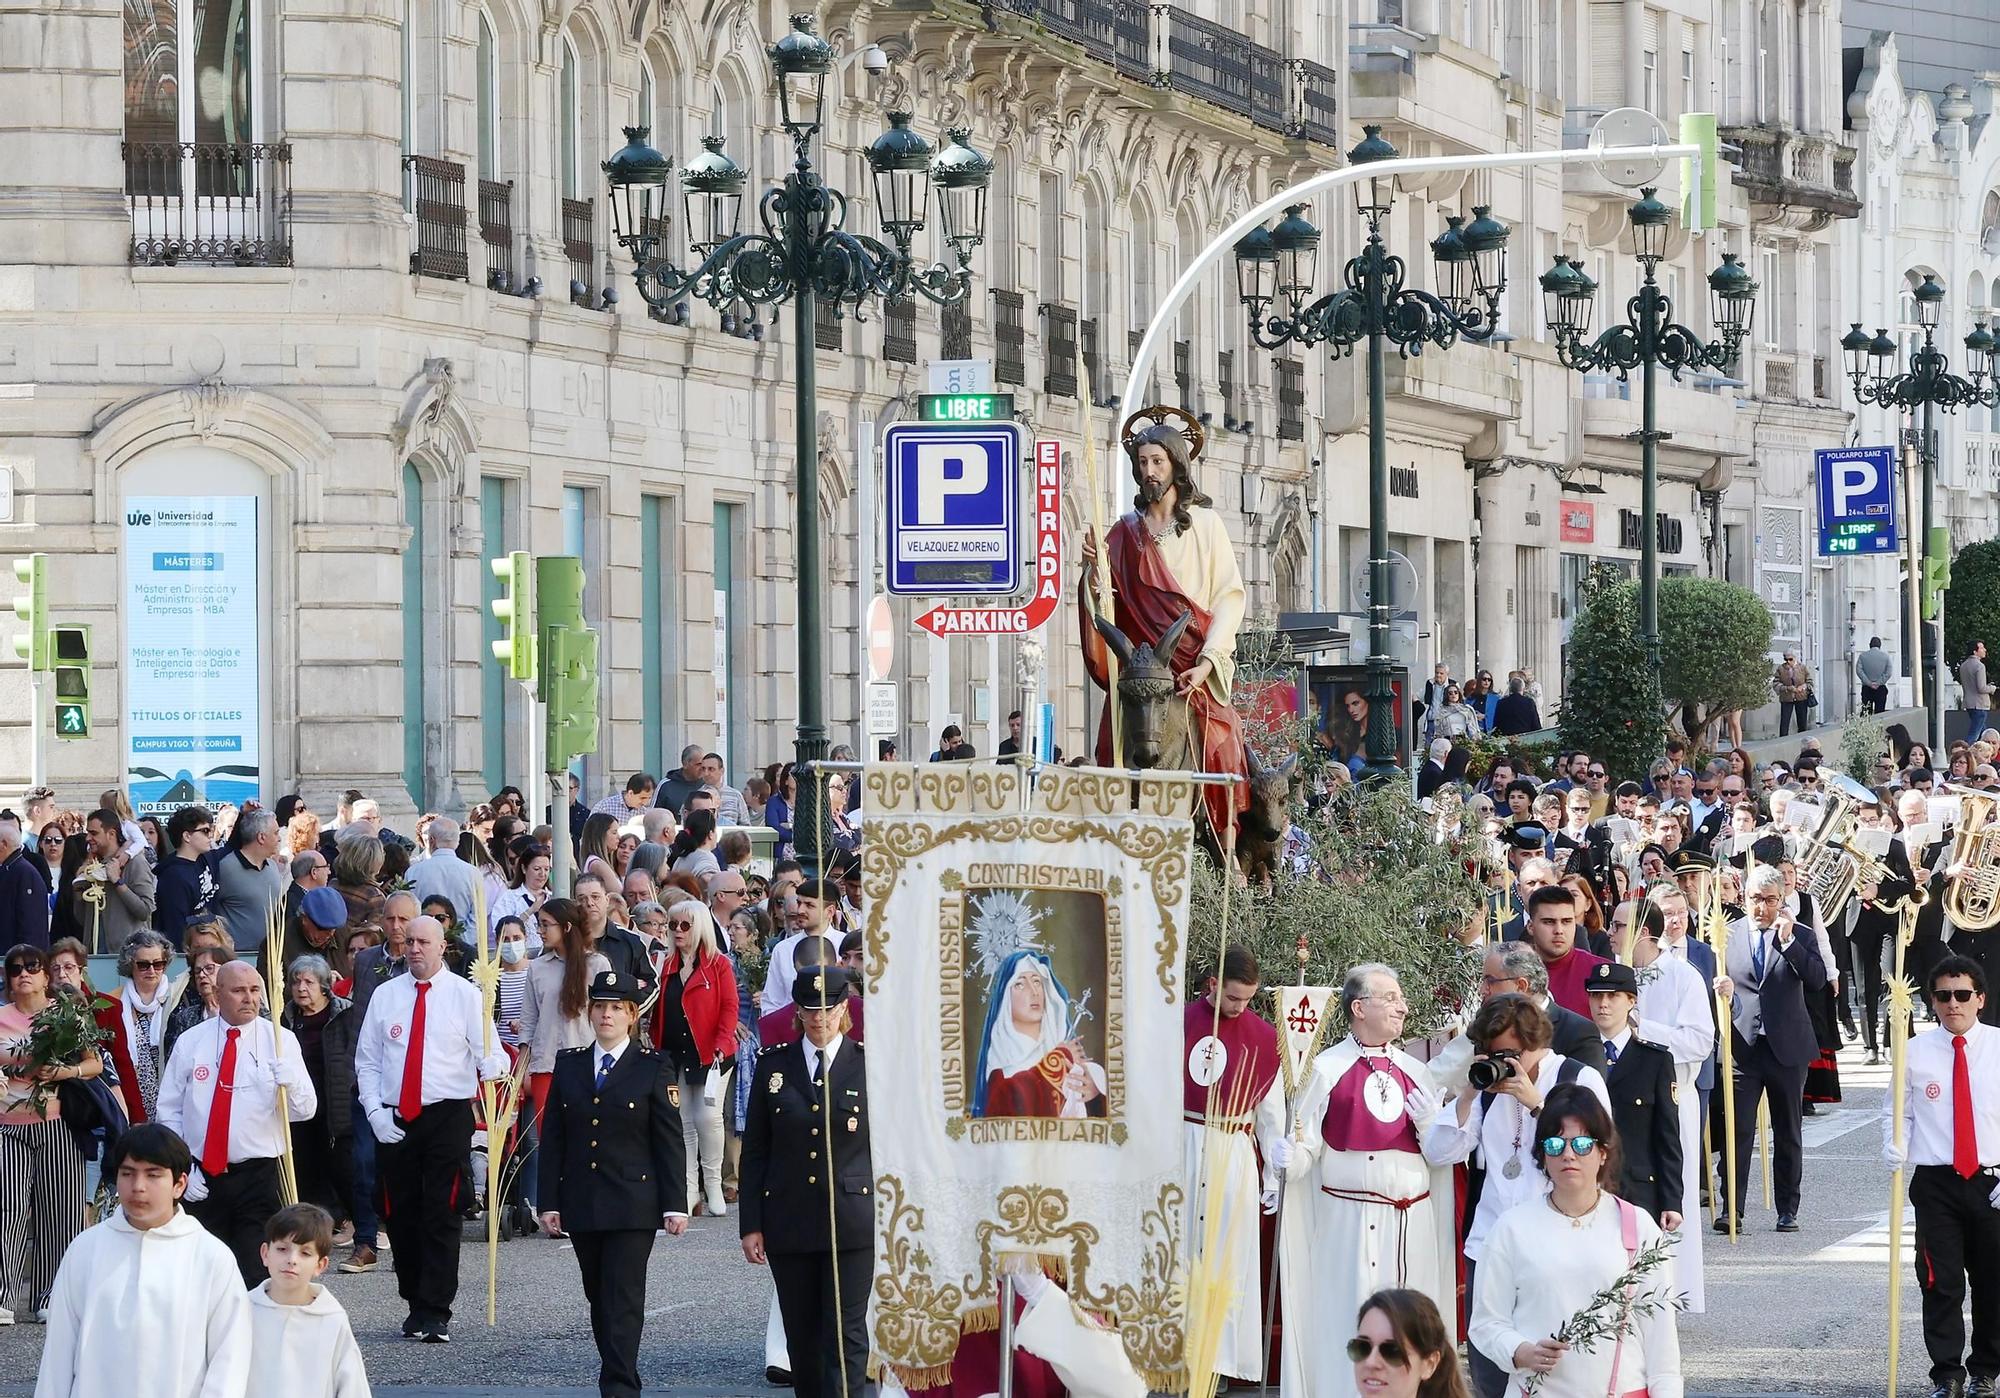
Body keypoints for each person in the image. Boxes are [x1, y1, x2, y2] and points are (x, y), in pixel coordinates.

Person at [1279, 964, 1456, 1397]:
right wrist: (1291, 1157)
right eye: (1391, 998)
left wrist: (1433, 1124)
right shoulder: (1324, 1068)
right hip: (1348, 1224)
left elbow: (1439, 1155)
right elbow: (1307, 1145)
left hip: (1409, 1225)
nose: (1403, 1007)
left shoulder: (1417, 1070)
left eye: (1401, 999)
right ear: (1359, 1007)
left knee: (1410, 1328)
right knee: (1349, 1322)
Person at [1424, 996, 1610, 1398]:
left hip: (1556, 1240)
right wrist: (1470, 1094)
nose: (1502, 1062)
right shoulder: (1489, 1090)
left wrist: (1537, 1104)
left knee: (1555, 1364)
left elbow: (1596, 1149)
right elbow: (1439, 1151)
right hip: (1490, 1241)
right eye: (1492, 1053)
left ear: (1534, 1040)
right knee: (1490, 1363)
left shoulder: (1578, 1078)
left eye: (1509, 1053)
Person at [1077, 413, 1249, 837]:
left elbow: (1229, 597)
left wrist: (1208, 663)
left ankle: (1228, 851)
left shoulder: (1207, 526)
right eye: (1142, 463)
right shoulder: (1123, 533)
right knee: (1112, 751)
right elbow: (1105, 603)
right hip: (1140, 675)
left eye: (1156, 461)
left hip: (1190, 667)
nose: (1148, 471)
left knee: (1223, 750)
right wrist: (1094, 570)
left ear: (1175, 464)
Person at [1469, 1084, 1683, 1398]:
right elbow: (1486, 1323)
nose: (1568, 1154)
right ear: (1542, 1154)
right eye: (1555, 1144)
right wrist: (1521, 1351)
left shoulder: (1636, 1226)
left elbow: (1661, 1338)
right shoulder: (1512, 1227)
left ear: (1603, 1152)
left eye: (1582, 1143)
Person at [353, 915, 510, 1342]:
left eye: (425, 941)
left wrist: (493, 1065)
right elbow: (366, 1061)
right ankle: (414, 1298)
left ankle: (436, 1308)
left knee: (443, 1211)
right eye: (409, 942)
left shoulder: (465, 996)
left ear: (443, 947)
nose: (415, 949)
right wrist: (375, 1112)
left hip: (446, 1114)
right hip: (396, 1115)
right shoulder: (386, 996)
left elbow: (492, 1053)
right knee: (400, 1212)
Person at [540, 969, 690, 1398]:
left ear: (631, 1016)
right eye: (600, 1007)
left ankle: (620, 1387)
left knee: (622, 1298)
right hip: (583, 1198)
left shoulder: (652, 1066)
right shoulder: (569, 1066)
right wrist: (548, 1200)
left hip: (632, 1202)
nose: (606, 1016)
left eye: (616, 1009)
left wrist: (674, 1203)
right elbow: (554, 1137)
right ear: (590, 1012)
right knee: (598, 1297)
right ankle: (617, 1372)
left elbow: (669, 1140)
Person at [34, 1123, 253, 1398]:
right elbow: (58, 1353)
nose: (138, 1187)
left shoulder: (210, 1257)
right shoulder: (86, 1250)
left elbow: (229, 1359)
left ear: (179, 1184)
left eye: (153, 1175)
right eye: (128, 1174)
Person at [740, 968, 871, 1398]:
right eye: (810, 1010)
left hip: (850, 1219)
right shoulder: (774, 1065)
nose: (820, 1019)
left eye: (829, 1009)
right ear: (798, 1011)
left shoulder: (868, 1065)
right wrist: (751, 1223)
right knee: (802, 1336)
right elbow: (756, 1149)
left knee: (845, 1334)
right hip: (790, 1219)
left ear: (844, 1009)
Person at [157, 959, 317, 1287]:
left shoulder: (280, 1040)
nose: (249, 998)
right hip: (204, 1175)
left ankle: (252, 1336)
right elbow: (169, 1110)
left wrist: (294, 1084)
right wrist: (184, 1164)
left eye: (255, 990)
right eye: (239, 990)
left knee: (255, 1268)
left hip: (259, 1174)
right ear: (217, 993)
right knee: (202, 1271)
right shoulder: (192, 1041)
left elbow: (305, 1111)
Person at [1885, 955, 2000, 1398]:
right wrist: (1893, 1143)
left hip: (1991, 1182)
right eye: (1943, 996)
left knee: (1992, 1283)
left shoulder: (1996, 1047)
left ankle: (1986, 1370)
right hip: (1937, 1183)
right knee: (1940, 1281)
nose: (1954, 1004)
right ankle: (1947, 1374)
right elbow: (1899, 1112)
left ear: (1980, 999)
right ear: (1932, 1001)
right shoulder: (1914, 1052)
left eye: (1963, 995)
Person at [1180, 946, 1283, 1383]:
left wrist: (1274, 1172)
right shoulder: (1177, 1021)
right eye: (1234, 998)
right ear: (1212, 985)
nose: (1241, 1007)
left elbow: (1272, 1113)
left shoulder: (1264, 1037)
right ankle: (1171, 1361)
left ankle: (1217, 1366)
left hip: (1233, 1150)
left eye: (1248, 999)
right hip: (1180, 1145)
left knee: (1227, 1255)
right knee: (1179, 1250)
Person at [1714, 863, 1827, 1233]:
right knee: (1738, 1130)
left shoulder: (1801, 934)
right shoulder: (1726, 935)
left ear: (1782, 901)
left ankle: (1787, 1208)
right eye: (1755, 899)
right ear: (1744, 898)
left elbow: (1816, 980)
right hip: (1743, 1045)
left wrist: (1790, 942)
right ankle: (1732, 1207)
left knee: (1787, 1130)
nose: (1761, 907)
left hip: (1787, 1046)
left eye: (1770, 900)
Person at [1, 943, 102, 1322]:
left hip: (59, 1123)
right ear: (8, 979)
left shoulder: (67, 1014)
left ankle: (52, 1295)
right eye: (15, 968)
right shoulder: (1, 1018)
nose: (23, 973)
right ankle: (4, 1295)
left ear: (46, 975)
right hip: (7, 1126)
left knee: (62, 1210)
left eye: (32, 966)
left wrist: (65, 1072)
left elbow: (93, 1063)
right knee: (6, 1207)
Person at [1583, 961, 1683, 1228]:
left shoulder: (1655, 1060)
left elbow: (1668, 1135)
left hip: (1638, 1187)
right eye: (1596, 995)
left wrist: (1672, 1200)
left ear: (1631, 1001)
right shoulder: (1576, 1056)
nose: (1603, 1004)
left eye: (1612, 996)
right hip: (1585, 1185)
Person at [656, 902, 738, 1217]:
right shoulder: (666, 965)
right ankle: (689, 1189)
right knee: (682, 1121)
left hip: (711, 1053)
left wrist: (721, 1042)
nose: (677, 930)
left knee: (708, 1117)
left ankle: (713, 1182)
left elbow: (730, 1007)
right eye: (673, 925)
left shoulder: (719, 965)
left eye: (684, 925)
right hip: (675, 1052)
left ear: (699, 926)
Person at [521, 897, 611, 1178]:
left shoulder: (597, 964)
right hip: (545, 1066)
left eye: (546, 924)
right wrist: (520, 1072)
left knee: (587, 1137)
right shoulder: (536, 967)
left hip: (587, 1065)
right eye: (539, 925)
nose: (541, 931)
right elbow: (528, 1024)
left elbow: (609, 1018)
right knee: (549, 1141)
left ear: (567, 926)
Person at [247, 1202, 370, 1398]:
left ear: (320, 1265)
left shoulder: (330, 1318)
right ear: (265, 1254)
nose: (292, 1260)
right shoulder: (242, 1311)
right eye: (282, 1249)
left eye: (305, 1253)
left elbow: (352, 1386)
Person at [71, 807, 157, 954]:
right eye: (88, 833)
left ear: (111, 834)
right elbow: (82, 920)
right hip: (95, 955)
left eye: (94, 833)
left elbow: (145, 911)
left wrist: (117, 882)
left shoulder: (136, 863)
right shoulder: (92, 867)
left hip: (128, 958)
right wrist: (79, 891)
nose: (87, 838)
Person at [116, 930, 177, 1124]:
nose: (151, 971)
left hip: (172, 1099)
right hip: (131, 1101)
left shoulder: (178, 999)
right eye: (143, 965)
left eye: (158, 964)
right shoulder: (114, 1002)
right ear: (130, 965)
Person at [1524, 884, 1608, 1016]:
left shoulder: (1599, 972)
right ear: (1530, 926)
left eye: (1566, 921)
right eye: (1549, 922)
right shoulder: (1512, 973)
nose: (1559, 931)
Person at [211, 808, 284, 956]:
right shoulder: (225, 868)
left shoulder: (273, 868)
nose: (279, 838)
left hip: (271, 958)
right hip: (237, 959)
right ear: (261, 837)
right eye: (276, 833)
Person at [409, 816, 479, 927]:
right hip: (462, 940)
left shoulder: (414, 872)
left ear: (432, 841)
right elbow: (477, 917)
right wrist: (461, 940)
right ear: (457, 842)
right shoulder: (473, 873)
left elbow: (409, 913)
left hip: (424, 937)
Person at [0, 818, 51, 950]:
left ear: (3, 844)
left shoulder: (24, 874)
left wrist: (25, 962)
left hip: (20, 960)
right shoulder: (11, 869)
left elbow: (30, 925)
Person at [656, 745, 708, 817]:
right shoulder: (666, 785)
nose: (702, 768)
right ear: (685, 764)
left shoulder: (707, 784)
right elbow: (653, 814)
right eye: (698, 764)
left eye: (704, 765)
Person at [1773, 651, 1813, 736]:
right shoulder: (1781, 668)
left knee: (1802, 722)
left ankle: (1802, 740)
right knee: (1785, 722)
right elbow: (1776, 684)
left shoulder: (1802, 667)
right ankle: (1782, 740)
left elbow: (1810, 682)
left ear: (1795, 658)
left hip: (1801, 697)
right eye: (1786, 659)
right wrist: (1787, 688)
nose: (1788, 662)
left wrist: (1803, 687)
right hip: (1787, 698)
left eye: (1790, 659)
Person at [1964, 642, 1995, 743]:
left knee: (1983, 733)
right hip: (1980, 704)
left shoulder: (1964, 665)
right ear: (1975, 651)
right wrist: (1992, 688)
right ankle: (1966, 753)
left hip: (1969, 703)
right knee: (1974, 734)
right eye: (1982, 648)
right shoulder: (1979, 666)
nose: (1985, 650)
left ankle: (1987, 753)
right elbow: (1981, 688)